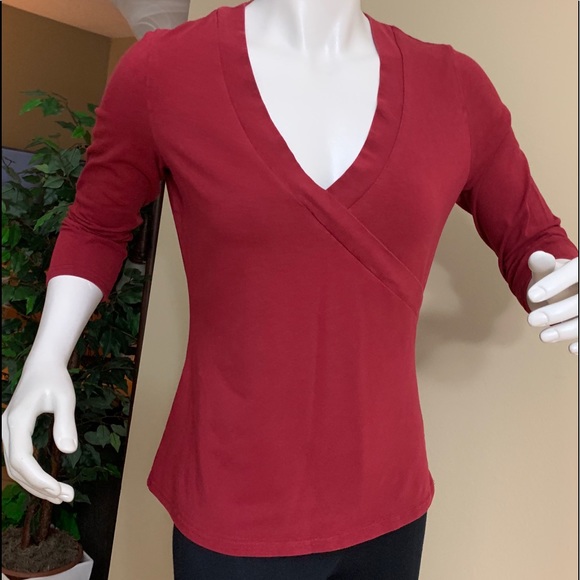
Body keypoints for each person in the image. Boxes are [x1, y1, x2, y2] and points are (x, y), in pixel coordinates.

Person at [2, 1, 578, 578]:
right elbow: (97, 226)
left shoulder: (455, 87)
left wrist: (557, 282)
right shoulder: (164, 70)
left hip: (389, 498)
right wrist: (46, 356)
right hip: (231, 498)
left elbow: (534, 239)